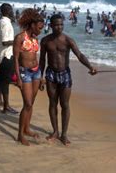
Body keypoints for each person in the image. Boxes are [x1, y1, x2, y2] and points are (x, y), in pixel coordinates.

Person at [39, 14, 97, 146]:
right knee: (53, 103)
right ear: (51, 25)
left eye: (61, 24)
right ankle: (55, 131)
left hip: (65, 74)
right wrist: (40, 77)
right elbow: (42, 60)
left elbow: (79, 55)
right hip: (51, 75)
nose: (59, 27)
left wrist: (90, 67)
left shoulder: (68, 40)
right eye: (56, 25)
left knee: (65, 104)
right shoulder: (45, 41)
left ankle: (64, 134)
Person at [13, 8, 44, 145]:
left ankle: (27, 128)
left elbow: (36, 57)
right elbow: (15, 59)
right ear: (32, 25)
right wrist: (18, 78)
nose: (41, 30)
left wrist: (41, 76)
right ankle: (20, 134)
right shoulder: (20, 37)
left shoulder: (35, 39)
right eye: (39, 27)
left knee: (32, 103)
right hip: (24, 72)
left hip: (36, 72)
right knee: (27, 103)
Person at [0, 3, 16, 113]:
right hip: (7, 55)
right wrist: (17, 41)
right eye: (11, 10)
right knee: (6, 81)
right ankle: (6, 105)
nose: (13, 12)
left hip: (0, 54)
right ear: (8, 11)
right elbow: (5, 41)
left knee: (0, 79)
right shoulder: (6, 23)